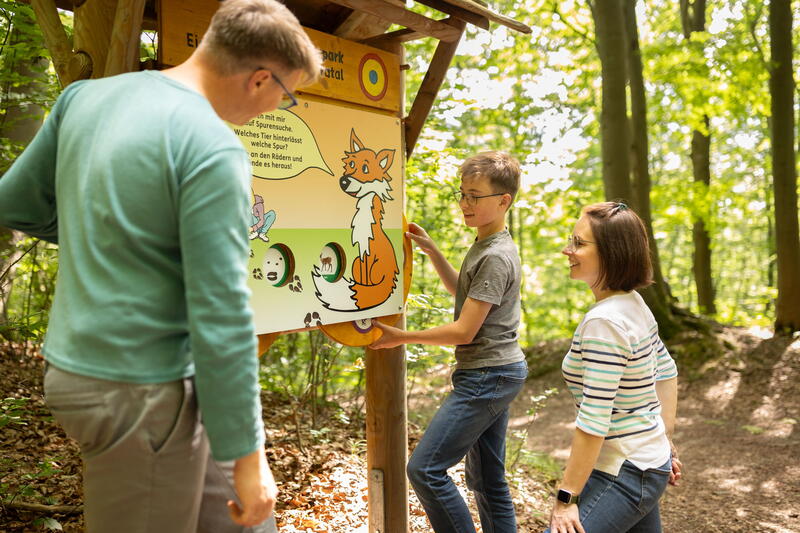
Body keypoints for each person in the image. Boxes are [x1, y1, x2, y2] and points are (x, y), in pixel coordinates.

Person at [0, 1, 321, 531]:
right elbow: (221, 313)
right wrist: (250, 455)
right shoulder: (213, 148)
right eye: (287, 97)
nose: (277, 109)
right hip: (141, 391)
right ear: (261, 79)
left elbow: (15, 204)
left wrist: (110, 237)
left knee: (245, 523)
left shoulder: (83, 99)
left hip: (101, 372)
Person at [370, 151, 528, 533]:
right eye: (463, 194)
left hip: (489, 374)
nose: (465, 203)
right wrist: (434, 253)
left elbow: (464, 331)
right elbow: (467, 295)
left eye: (475, 196)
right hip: (498, 371)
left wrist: (401, 337)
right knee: (487, 480)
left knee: (424, 469)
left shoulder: (495, 256)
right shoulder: (487, 245)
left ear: (503, 201)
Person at [546, 202, 682, 533]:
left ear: (611, 252)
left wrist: (567, 499)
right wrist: (663, 442)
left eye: (579, 243)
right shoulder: (633, 303)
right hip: (646, 464)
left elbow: (594, 419)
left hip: (626, 470)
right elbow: (666, 371)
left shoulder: (604, 322)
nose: (568, 250)